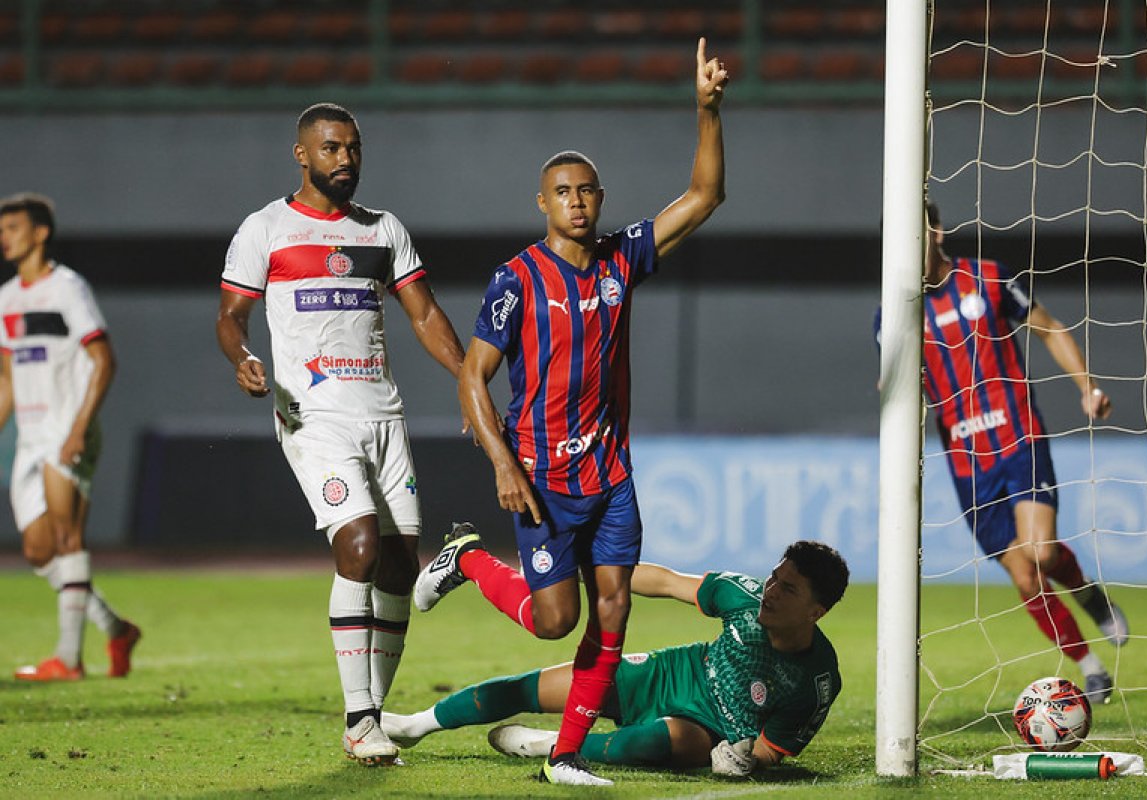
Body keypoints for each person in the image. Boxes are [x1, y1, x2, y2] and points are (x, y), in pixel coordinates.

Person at [411, 38, 729, 786]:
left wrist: (707, 111)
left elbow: (704, 198)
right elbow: (472, 377)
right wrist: (502, 466)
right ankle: (471, 559)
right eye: (563, 192)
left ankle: (565, 755)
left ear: (600, 199)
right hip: (543, 475)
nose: (577, 201)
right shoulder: (517, 279)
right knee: (554, 620)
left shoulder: (624, 259)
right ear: (543, 203)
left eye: (587, 190)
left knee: (612, 610)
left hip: (611, 472)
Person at [215, 103, 466, 766]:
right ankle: (360, 720)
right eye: (330, 149)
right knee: (356, 547)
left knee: (397, 564)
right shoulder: (265, 228)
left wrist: (469, 377)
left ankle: (372, 718)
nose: (344, 160)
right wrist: (242, 357)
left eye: (352, 149)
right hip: (311, 415)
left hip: (383, 415)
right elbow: (230, 316)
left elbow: (424, 313)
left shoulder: (384, 231)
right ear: (302, 154)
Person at [874, 201, 1129, 703]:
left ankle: (1089, 595)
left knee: (1042, 552)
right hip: (968, 466)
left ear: (937, 231)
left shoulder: (987, 278)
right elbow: (895, 387)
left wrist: (1087, 387)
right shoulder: (893, 313)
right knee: (1024, 573)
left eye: (916, 231)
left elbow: (1049, 327)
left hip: (1019, 437)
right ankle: (1090, 666)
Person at [388, 541, 846, 778]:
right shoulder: (743, 597)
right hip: (669, 675)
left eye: (788, 589)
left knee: (643, 745)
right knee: (533, 686)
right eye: (773, 578)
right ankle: (417, 725)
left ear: (816, 611)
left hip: (709, 732)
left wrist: (746, 759)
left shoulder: (817, 680)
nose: (771, 592)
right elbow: (667, 582)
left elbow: (774, 747)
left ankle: (551, 745)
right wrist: (598, 575)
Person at [0, 193, 140, 682]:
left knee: (66, 538)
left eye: (13, 227)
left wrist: (79, 427)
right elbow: (6, 379)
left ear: (40, 233)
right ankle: (116, 629)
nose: (5, 236)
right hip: (32, 436)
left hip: (67, 426)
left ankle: (69, 659)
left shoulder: (67, 288)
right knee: (39, 551)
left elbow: (104, 359)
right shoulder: (7, 299)